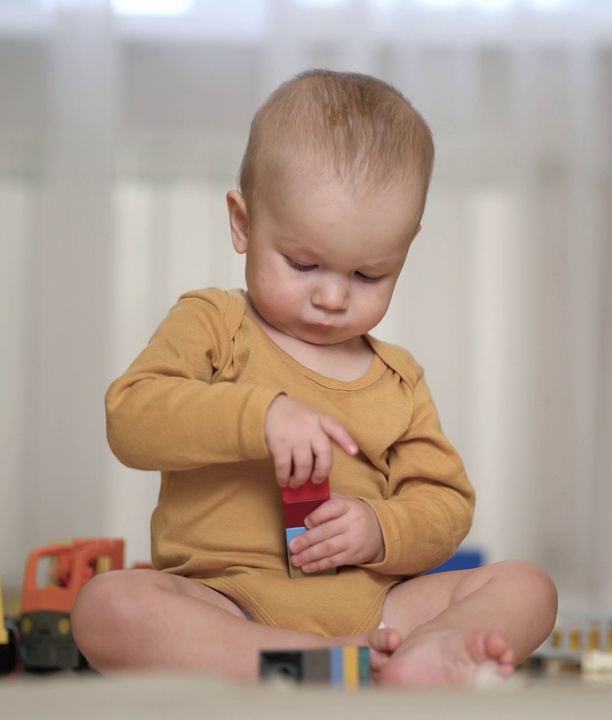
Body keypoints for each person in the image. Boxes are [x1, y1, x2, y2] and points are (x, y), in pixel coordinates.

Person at [71, 69, 557, 687]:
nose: (331, 296)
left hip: (376, 607)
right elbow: (132, 418)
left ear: (405, 249)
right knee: (108, 605)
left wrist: (380, 529)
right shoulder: (215, 324)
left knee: (526, 585)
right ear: (243, 225)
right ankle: (301, 659)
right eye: (303, 263)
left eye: (368, 276)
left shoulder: (398, 380)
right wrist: (261, 415)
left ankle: (421, 653)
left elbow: (445, 504)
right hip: (230, 602)